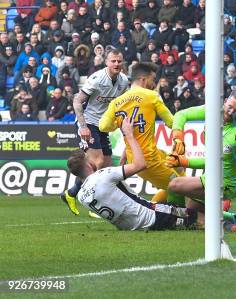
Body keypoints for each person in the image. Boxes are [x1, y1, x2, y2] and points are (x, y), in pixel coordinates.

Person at [67, 117, 198, 231]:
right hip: (153, 217)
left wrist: (125, 153)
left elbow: (113, 189)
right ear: (88, 163)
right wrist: (129, 135)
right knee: (197, 212)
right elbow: (141, 164)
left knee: (190, 203)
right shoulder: (103, 175)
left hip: (130, 226)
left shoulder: (82, 197)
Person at [163, 97, 236, 230]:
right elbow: (181, 114)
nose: (230, 111)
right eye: (229, 106)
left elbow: (214, 159)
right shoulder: (212, 111)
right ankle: (234, 218)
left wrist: (182, 161)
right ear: (225, 101)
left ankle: (178, 222)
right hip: (211, 174)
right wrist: (178, 138)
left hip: (225, 182)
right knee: (193, 211)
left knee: (174, 185)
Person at [98, 62, 185, 207]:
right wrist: (186, 116)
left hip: (136, 161)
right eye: (152, 79)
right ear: (143, 79)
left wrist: (120, 125)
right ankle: (157, 212)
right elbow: (171, 123)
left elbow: (103, 126)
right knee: (184, 187)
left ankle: (161, 209)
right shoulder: (152, 96)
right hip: (149, 161)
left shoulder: (116, 102)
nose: (154, 83)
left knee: (179, 168)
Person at [61, 50, 129, 216]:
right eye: (113, 61)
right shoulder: (97, 78)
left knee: (105, 164)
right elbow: (77, 100)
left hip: (103, 125)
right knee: (97, 161)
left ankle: (70, 193)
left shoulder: (124, 81)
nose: (117, 64)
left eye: (119, 61)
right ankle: (96, 202)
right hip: (89, 122)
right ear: (107, 62)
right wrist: (83, 126)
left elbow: (121, 105)